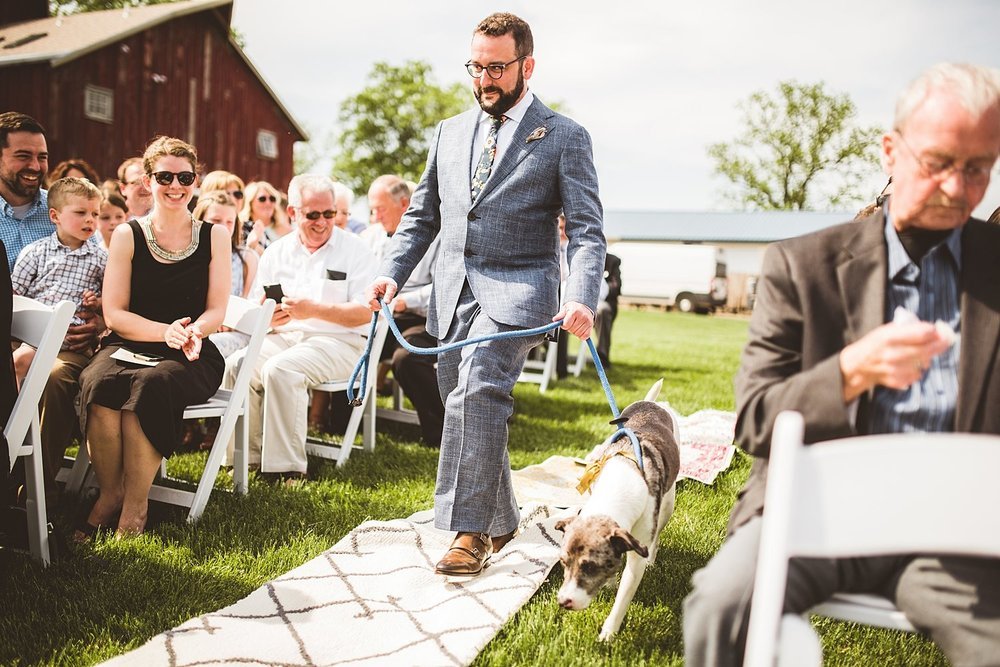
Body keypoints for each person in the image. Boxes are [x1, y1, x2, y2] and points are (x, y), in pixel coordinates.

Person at [682, 62, 1000, 666]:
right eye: (938, 163)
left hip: (956, 532)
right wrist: (849, 372)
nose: (958, 189)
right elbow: (753, 419)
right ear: (891, 152)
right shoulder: (803, 266)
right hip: (814, 514)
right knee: (721, 607)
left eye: (978, 168)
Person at [365, 12, 605, 577]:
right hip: (453, 292)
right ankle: (501, 520)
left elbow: (588, 230)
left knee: (476, 390)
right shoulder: (449, 131)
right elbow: (424, 214)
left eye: (497, 68)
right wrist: (392, 273)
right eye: (476, 67)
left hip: (521, 290)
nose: (484, 80)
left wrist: (582, 297)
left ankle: (466, 533)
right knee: (461, 399)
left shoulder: (564, 136)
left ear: (528, 65)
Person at [76, 136, 230, 537]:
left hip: (191, 351)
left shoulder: (215, 236)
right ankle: (110, 493)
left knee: (149, 385)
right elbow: (115, 313)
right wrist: (165, 332)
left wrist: (193, 330)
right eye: (165, 176)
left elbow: (216, 309)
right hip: (132, 338)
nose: (175, 185)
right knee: (100, 382)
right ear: (147, 180)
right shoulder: (127, 235)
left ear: (196, 181)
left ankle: (136, 507)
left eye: (185, 176)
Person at [224, 174, 376, 482]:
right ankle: (244, 459)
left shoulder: (357, 251)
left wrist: (313, 310)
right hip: (287, 336)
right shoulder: (276, 252)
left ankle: (287, 468)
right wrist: (269, 317)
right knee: (238, 365)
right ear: (293, 213)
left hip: (343, 344)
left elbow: (365, 313)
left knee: (282, 369)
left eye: (329, 213)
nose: (322, 222)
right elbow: (258, 304)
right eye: (313, 215)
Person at [361, 174, 443, 448]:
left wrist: (405, 302)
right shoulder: (371, 237)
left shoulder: (438, 237)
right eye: (372, 209)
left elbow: (444, 288)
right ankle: (343, 421)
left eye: (380, 209)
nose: (375, 216)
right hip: (380, 316)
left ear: (405, 204)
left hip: (423, 319)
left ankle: (442, 429)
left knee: (407, 358)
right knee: (352, 344)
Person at [11, 177, 107, 384]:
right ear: (55, 216)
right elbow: (14, 295)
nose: (90, 219)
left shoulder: (101, 258)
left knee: (58, 373)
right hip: (36, 337)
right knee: (17, 361)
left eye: (95, 214)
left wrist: (96, 303)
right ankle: (16, 415)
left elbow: (110, 301)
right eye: (81, 213)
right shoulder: (36, 252)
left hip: (75, 340)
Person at [240, 180, 290, 255]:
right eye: (262, 199)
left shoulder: (287, 230)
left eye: (272, 199)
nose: (268, 203)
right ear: (250, 203)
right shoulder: (242, 229)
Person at [116, 157, 153, 222]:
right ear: (123, 188)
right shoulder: (113, 220)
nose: (145, 187)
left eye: (148, 181)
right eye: (137, 182)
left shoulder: (167, 215)